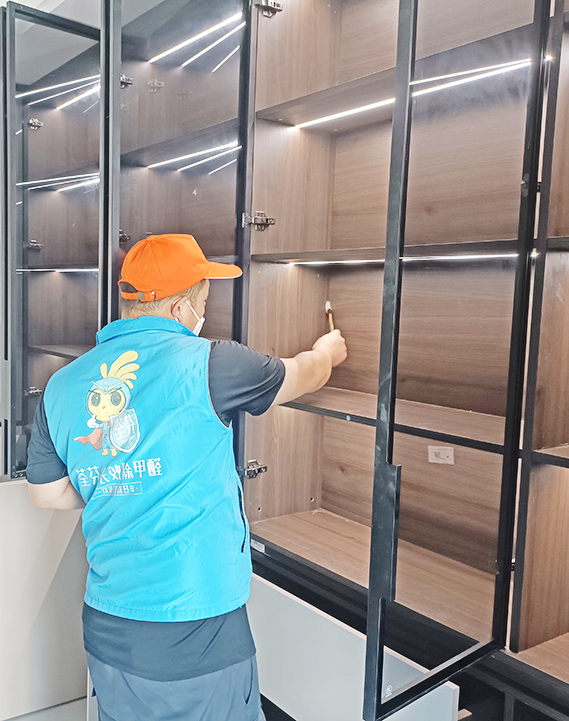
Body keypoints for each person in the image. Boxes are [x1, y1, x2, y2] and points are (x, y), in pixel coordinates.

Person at [26, 233, 347, 721]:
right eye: (203, 301)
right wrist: (328, 351)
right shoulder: (213, 363)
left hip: (108, 626)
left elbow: (47, 493)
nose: (203, 315)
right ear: (180, 309)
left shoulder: (62, 383)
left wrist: (116, 477)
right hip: (196, 630)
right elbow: (302, 374)